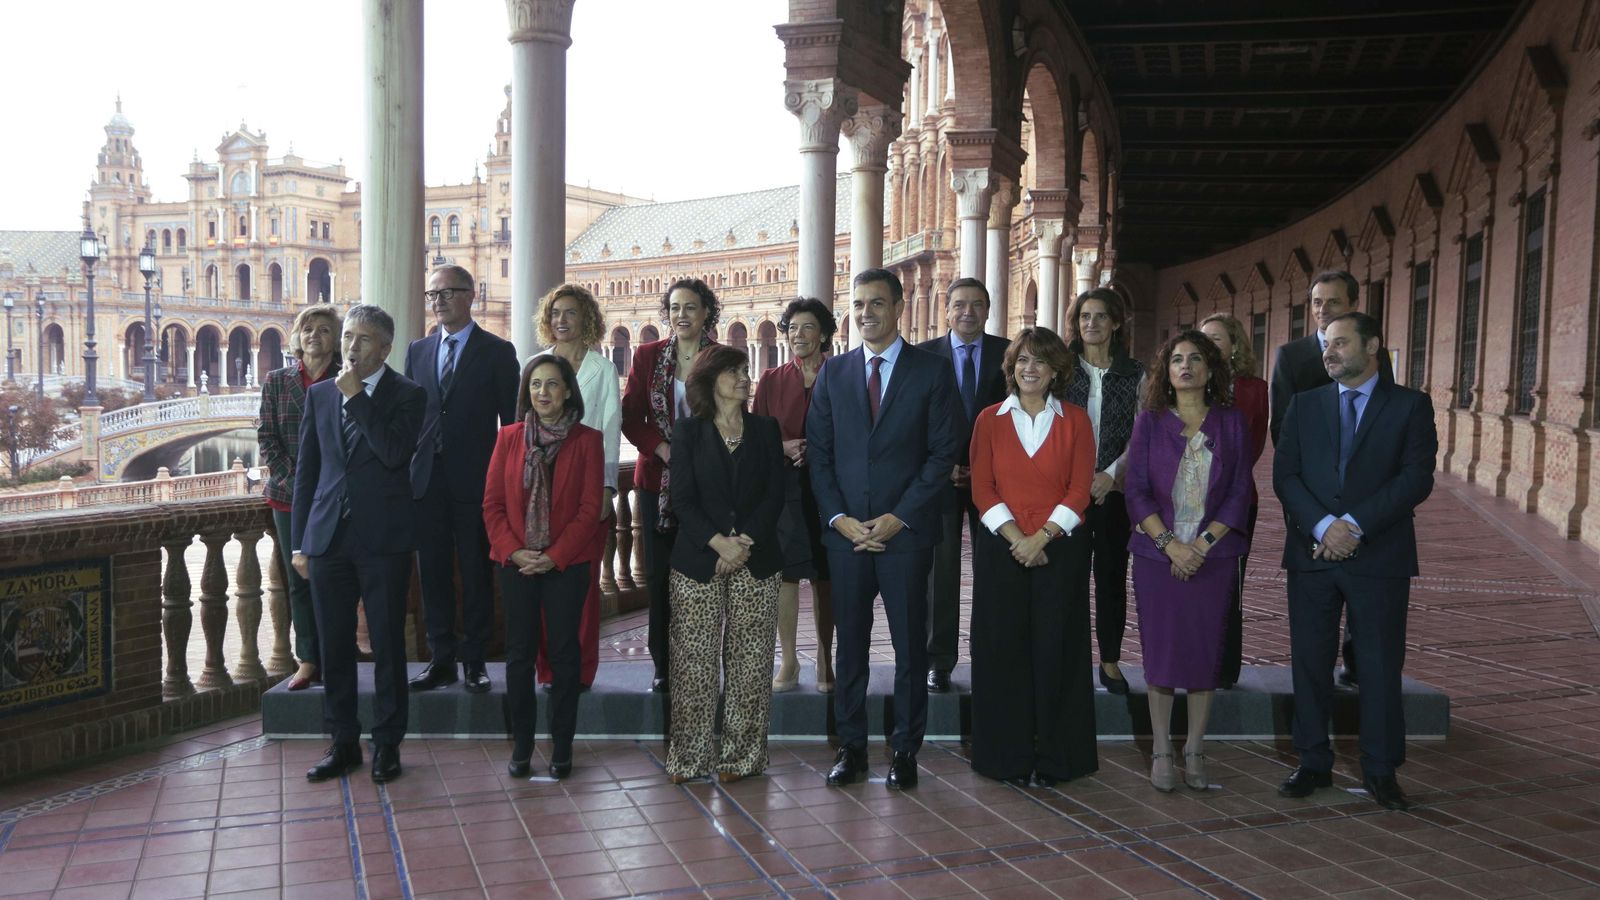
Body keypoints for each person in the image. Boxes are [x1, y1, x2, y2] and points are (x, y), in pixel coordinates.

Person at [1275, 312, 1436, 811]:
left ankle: (1381, 770)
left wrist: (1354, 525)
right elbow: (1287, 477)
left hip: (1379, 555)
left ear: (1372, 346)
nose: (1330, 351)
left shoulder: (1410, 406)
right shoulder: (1303, 405)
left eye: (1341, 342)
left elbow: (1415, 479)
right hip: (1313, 554)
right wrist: (1325, 527)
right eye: (1327, 344)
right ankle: (1312, 761)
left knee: (1379, 664)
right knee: (1310, 662)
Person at [808, 268, 958, 790]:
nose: (866, 312)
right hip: (846, 538)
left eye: (877, 303)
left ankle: (905, 750)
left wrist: (898, 517)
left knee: (910, 647)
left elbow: (942, 455)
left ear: (898, 308)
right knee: (849, 646)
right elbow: (820, 456)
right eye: (859, 303)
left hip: (906, 536)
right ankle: (851, 747)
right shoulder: (834, 374)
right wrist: (841, 519)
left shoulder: (933, 372)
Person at [292, 304, 425, 784]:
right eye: (348, 336)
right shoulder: (320, 396)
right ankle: (342, 741)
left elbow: (393, 455)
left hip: (383, 540)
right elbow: (308, 474)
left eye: (363, 339)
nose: (350, 347)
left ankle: (387, 743)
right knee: (334, 646)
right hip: (328, 539)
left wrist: (358, 401)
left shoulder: (408, 395)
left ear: (386, 347)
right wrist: (299, 544)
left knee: (388, 645)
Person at [1125, 330, 1254, 793]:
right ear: (1166, 371)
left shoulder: (1232, 423)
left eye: (1195, 358)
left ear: (1209, 369)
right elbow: (1136, 492)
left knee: (1203, 657)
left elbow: (1241, 491)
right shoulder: (1150, 422)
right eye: (1176, 359)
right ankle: (1162, 749)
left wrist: (1200, 547)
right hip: (1157, 558)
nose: (1185, 366)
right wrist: (1171, 546)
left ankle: (1195, 749)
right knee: (1160, 657)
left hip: (1213, 559)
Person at [967, 327, 1097, 787]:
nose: (1030, 369)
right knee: (1003, 652)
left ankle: (1061, 758)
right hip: (1002, 550)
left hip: (1059, 550)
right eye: (1021, 360)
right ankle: (1006, 757)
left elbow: (1081, 489)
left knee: (1057, 651)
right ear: (1011, 367)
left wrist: (1040, 538)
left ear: (1057, 369)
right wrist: (1015, 538)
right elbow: (982, 488)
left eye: (1040, 361)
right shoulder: (989, 419)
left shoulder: (1077, 420)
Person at [664, 346, 786, 783]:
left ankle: (743, 757)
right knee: (693, 663)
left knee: (751, 663)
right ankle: (690, 757)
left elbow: (776, 494)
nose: (744, 378)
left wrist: (742, 544)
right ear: (709, 379)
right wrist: (719, 545)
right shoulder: (688, 432)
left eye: (744, 371)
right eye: (734, 371)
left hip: (757, 560)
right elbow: (682, 499)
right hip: (698, 561)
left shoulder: (766, 429)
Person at [483, 353, 605, 781]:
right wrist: (516, 552)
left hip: (566, 565)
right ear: (526, 391)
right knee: (518, 657)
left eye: (552, 384)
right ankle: (520, 746)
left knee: (564, 654)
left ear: (568, 390)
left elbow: (591, 510)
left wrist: (553, 556)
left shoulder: (588, 440)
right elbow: (493, 506)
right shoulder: (510, 438)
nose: (543, 393)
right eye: (536, 385)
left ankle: (562, 746)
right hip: (516, 564)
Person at [1268, 271, 1392, 688]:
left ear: (1354, 303)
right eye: (1317, 302)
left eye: (1333, 302)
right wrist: (1314, 505)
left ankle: (1355, 665)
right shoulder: (1291, 355)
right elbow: (1281, 428)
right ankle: (1313, 675)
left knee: (1363, 579)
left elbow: (1382, 422)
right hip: (1309, 499)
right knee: (1314, 592)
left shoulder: (1373, 352)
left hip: (1359, 498)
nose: (1322, 310)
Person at [406, 265, 520, 695]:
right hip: (426, 482)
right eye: (432, 294)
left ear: (470, 296)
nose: (437, 301)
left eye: (447, 293)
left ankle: (475, 661)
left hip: (477, 482)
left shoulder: (497, 351)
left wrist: (506, 484)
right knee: (431, 572)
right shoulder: (417, 351)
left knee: (475, 572)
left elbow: (511, 425)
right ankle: (440, 659)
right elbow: (412, 417)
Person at [621, 277, 720, 693]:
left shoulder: (722, 358)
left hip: (708, 484)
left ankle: (699, 662)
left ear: (706, 314)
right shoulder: (647, 356)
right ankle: (662, 664)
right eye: (675, 307)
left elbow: (733, 412)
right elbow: (630, 417)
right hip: (655, 483)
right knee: (660, 576)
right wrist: (661, 448)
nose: (682, 315)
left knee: (702, 575)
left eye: (691, 307)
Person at [919, 277, 1010, 694]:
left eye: (976, 304)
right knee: (941, 572)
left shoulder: (1008, 354)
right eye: (959, 304)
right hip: (940, 482)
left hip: (995, 482)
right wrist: (942, 467)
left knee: (993, 569)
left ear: (988, 310)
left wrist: (983, 467)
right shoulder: (923, 358)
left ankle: (991, 654)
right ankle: (939, 660)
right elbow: (914, 422)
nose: (967, 312)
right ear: (947, 310)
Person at [536, 284, 622, 691]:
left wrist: (607, 488)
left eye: (570, 313)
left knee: (583, 586)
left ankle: (582, 669)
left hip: (586, 485)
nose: (561, 320)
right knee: (543, 585)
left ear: (585, 318)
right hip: (542, 487)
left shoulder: (601, 369)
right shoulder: (537, 364)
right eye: (555, 313)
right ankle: (548, 669)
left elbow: (608, 429)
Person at [1063, 288, 1144, 695]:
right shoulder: (1061, 370)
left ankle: (1110, 661)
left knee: (1111, 575)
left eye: (1099, 316)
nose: (1091, 324)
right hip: (1066, 493)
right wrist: (1080, 480)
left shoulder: (1135, 374)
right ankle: (1071, 661)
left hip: (1115, 493)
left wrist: (1111, 475)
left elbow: (1141, 431)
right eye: (1084, 317)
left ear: (1115, 323)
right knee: (1069, 577)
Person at [752, 297, 835, 694]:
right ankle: (788, 659)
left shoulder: (841, 374)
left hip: (828, 488)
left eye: (807, 327)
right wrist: (781, 447)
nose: (798, 335)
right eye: (791, 328)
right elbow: (756, 434)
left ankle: (825, 656)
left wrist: (818, 451)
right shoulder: (771, 379)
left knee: (826, 575)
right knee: (784, 575)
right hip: (783, 487)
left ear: (823, 334)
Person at [257, 303, 340, 691]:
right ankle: (308, 659)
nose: (314, 336)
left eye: (324, 329)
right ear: (297, 337)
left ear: (336, 339)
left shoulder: (347, 380)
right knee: (298, 580)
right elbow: (267, 438)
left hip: (336, 498)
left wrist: (325, 488)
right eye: (308, 329)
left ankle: (337, 653)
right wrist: (295, 483)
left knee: (336, 577)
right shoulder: (277, 380)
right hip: (288, 499)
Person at [1199, 313, 1269, 688]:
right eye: (1203, 338)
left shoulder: (1256, 389)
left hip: (1238, 501)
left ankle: (1224, 669)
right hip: (1189, 504)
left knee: (1229, 584)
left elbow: (1254, 444)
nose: (1209, 345)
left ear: (1235, 345)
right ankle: (1191, 660)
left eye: (1217, 338)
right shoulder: (1189, 382)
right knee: (1192, 583)